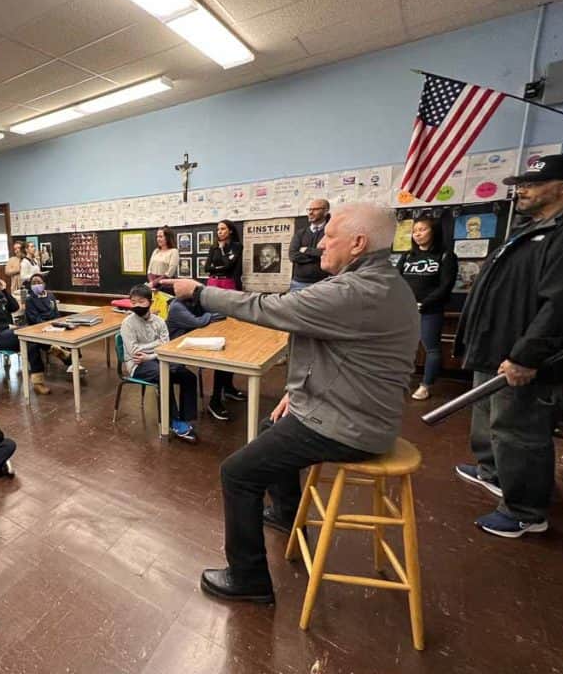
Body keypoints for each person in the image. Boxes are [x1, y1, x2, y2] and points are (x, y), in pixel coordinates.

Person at [166, 202, 418, 604]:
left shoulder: (355, 290)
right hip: (361, 411)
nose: (320, 247)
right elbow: (347, 358)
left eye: (329, 237)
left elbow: (269, 308)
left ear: (358, 243)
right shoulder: (387, 282)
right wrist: (296, 395)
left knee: (237, 472)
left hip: (351, 425)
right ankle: (285, 514)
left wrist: (199, 292)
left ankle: (249, 579)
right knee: (271, 426)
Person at [454, 154, 563, 538]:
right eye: (521, 184)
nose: (522, 190)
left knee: (521, 431)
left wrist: (526, 355)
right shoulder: (531, 228)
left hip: (525, 357)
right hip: (494, 346)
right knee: (489, 419)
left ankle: (525, 511)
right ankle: (493, 472)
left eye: (532, 184)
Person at [120, 284, 199, 442]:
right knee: (164, 375)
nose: (136, 305)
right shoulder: (128, 323)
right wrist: (156, 346)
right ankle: (174, 422)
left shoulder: (160, 321)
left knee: (188, 376)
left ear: (150, 301)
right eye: (133, 302)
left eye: (141, 301)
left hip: (156, 359)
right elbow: (135, 352)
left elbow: (166, 345)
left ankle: (185, 417)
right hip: (136, 365)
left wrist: (150, 353)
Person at [396, 217, 457, 401]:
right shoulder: (407, 256)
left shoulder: (446, 256)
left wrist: (424, 303)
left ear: (434, 232)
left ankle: (426, 385)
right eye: (415, 231)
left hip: (429, 310)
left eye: (422, 230)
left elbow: (446, 286)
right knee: (401, 348)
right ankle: (400, 381)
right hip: (405, 309)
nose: (417, 234)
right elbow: (395, 280)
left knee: (431, 348)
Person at [0, 278, 51, 393]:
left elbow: (15, 307)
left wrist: (4, 290)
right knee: (26, 336)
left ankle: (38, 382)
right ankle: (53, 350)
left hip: (10, 334)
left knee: (31, 343)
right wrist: (7, 327)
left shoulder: (0, 302)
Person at [166, 295, 234, 420]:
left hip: (193, 341)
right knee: (222, 360)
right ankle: (215, 402)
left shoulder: (192, 303)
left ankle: (228, 389)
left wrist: (207, 316)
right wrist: (208, 317)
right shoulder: (177, 307)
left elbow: (213, 314)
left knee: (229, 354)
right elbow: (198, 322)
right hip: (177, 349)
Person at [24, 274, 80, 374]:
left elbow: (56, 313)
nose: (36, 285)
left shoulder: (50, 295)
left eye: (39, 282)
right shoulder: (30, 299)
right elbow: (34, 318)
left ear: (44, 284)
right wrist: (49, 326)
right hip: (40, 329)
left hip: (54, 325)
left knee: (73, 335)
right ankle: (71, 362)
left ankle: (76, 362)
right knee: (56, 342)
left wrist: (60, 324)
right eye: (34, 283)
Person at [289, 199, 331, 290]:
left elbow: (330, 254)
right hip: (298, 283)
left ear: (325, 212)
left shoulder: (330, 232)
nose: (310, 213)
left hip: (323, 283)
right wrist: (317, 254)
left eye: (315, 209)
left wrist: (307, 250)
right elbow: (293, 256)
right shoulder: (300, 233)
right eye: (309, 209)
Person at [204, 219, 243, 289]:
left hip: (227, 282)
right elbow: (206, 268)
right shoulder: (214, 247)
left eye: (223, 229)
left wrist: (221, 249)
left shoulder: (236, 246)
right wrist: (222, 268)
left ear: (230, 231)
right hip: (213, 281)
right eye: (218, 229)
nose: (219, 232)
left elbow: (228, 265)